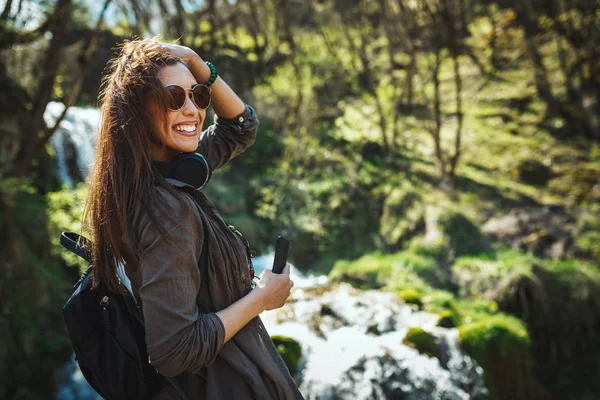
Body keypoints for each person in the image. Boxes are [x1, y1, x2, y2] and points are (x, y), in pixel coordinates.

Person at [81, 38, 305, 399]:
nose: (193, 110)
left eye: (197, 96)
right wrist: (262, 298)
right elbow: (174, 350)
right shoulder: (165, 211)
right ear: (139, 111)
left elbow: (241, 127)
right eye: (173, 98)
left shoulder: (160, 170)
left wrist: (198, 63)